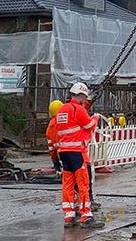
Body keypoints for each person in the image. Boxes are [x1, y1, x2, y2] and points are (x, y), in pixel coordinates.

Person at [56, 82, 104, 229]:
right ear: (82, 95)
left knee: (68, 185)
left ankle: (69, 216)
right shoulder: (78, 109)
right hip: (77, 153)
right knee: (83, 184)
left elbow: (72, 123)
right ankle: (85, 216)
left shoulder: (61, 110)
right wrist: (95, 117)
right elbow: (90, 125)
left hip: (64, 153)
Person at [46, 99, 63, 174]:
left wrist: (55, 162)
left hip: (59, 154)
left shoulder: (50, 126)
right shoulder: (64, 121)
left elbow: (51, 147)